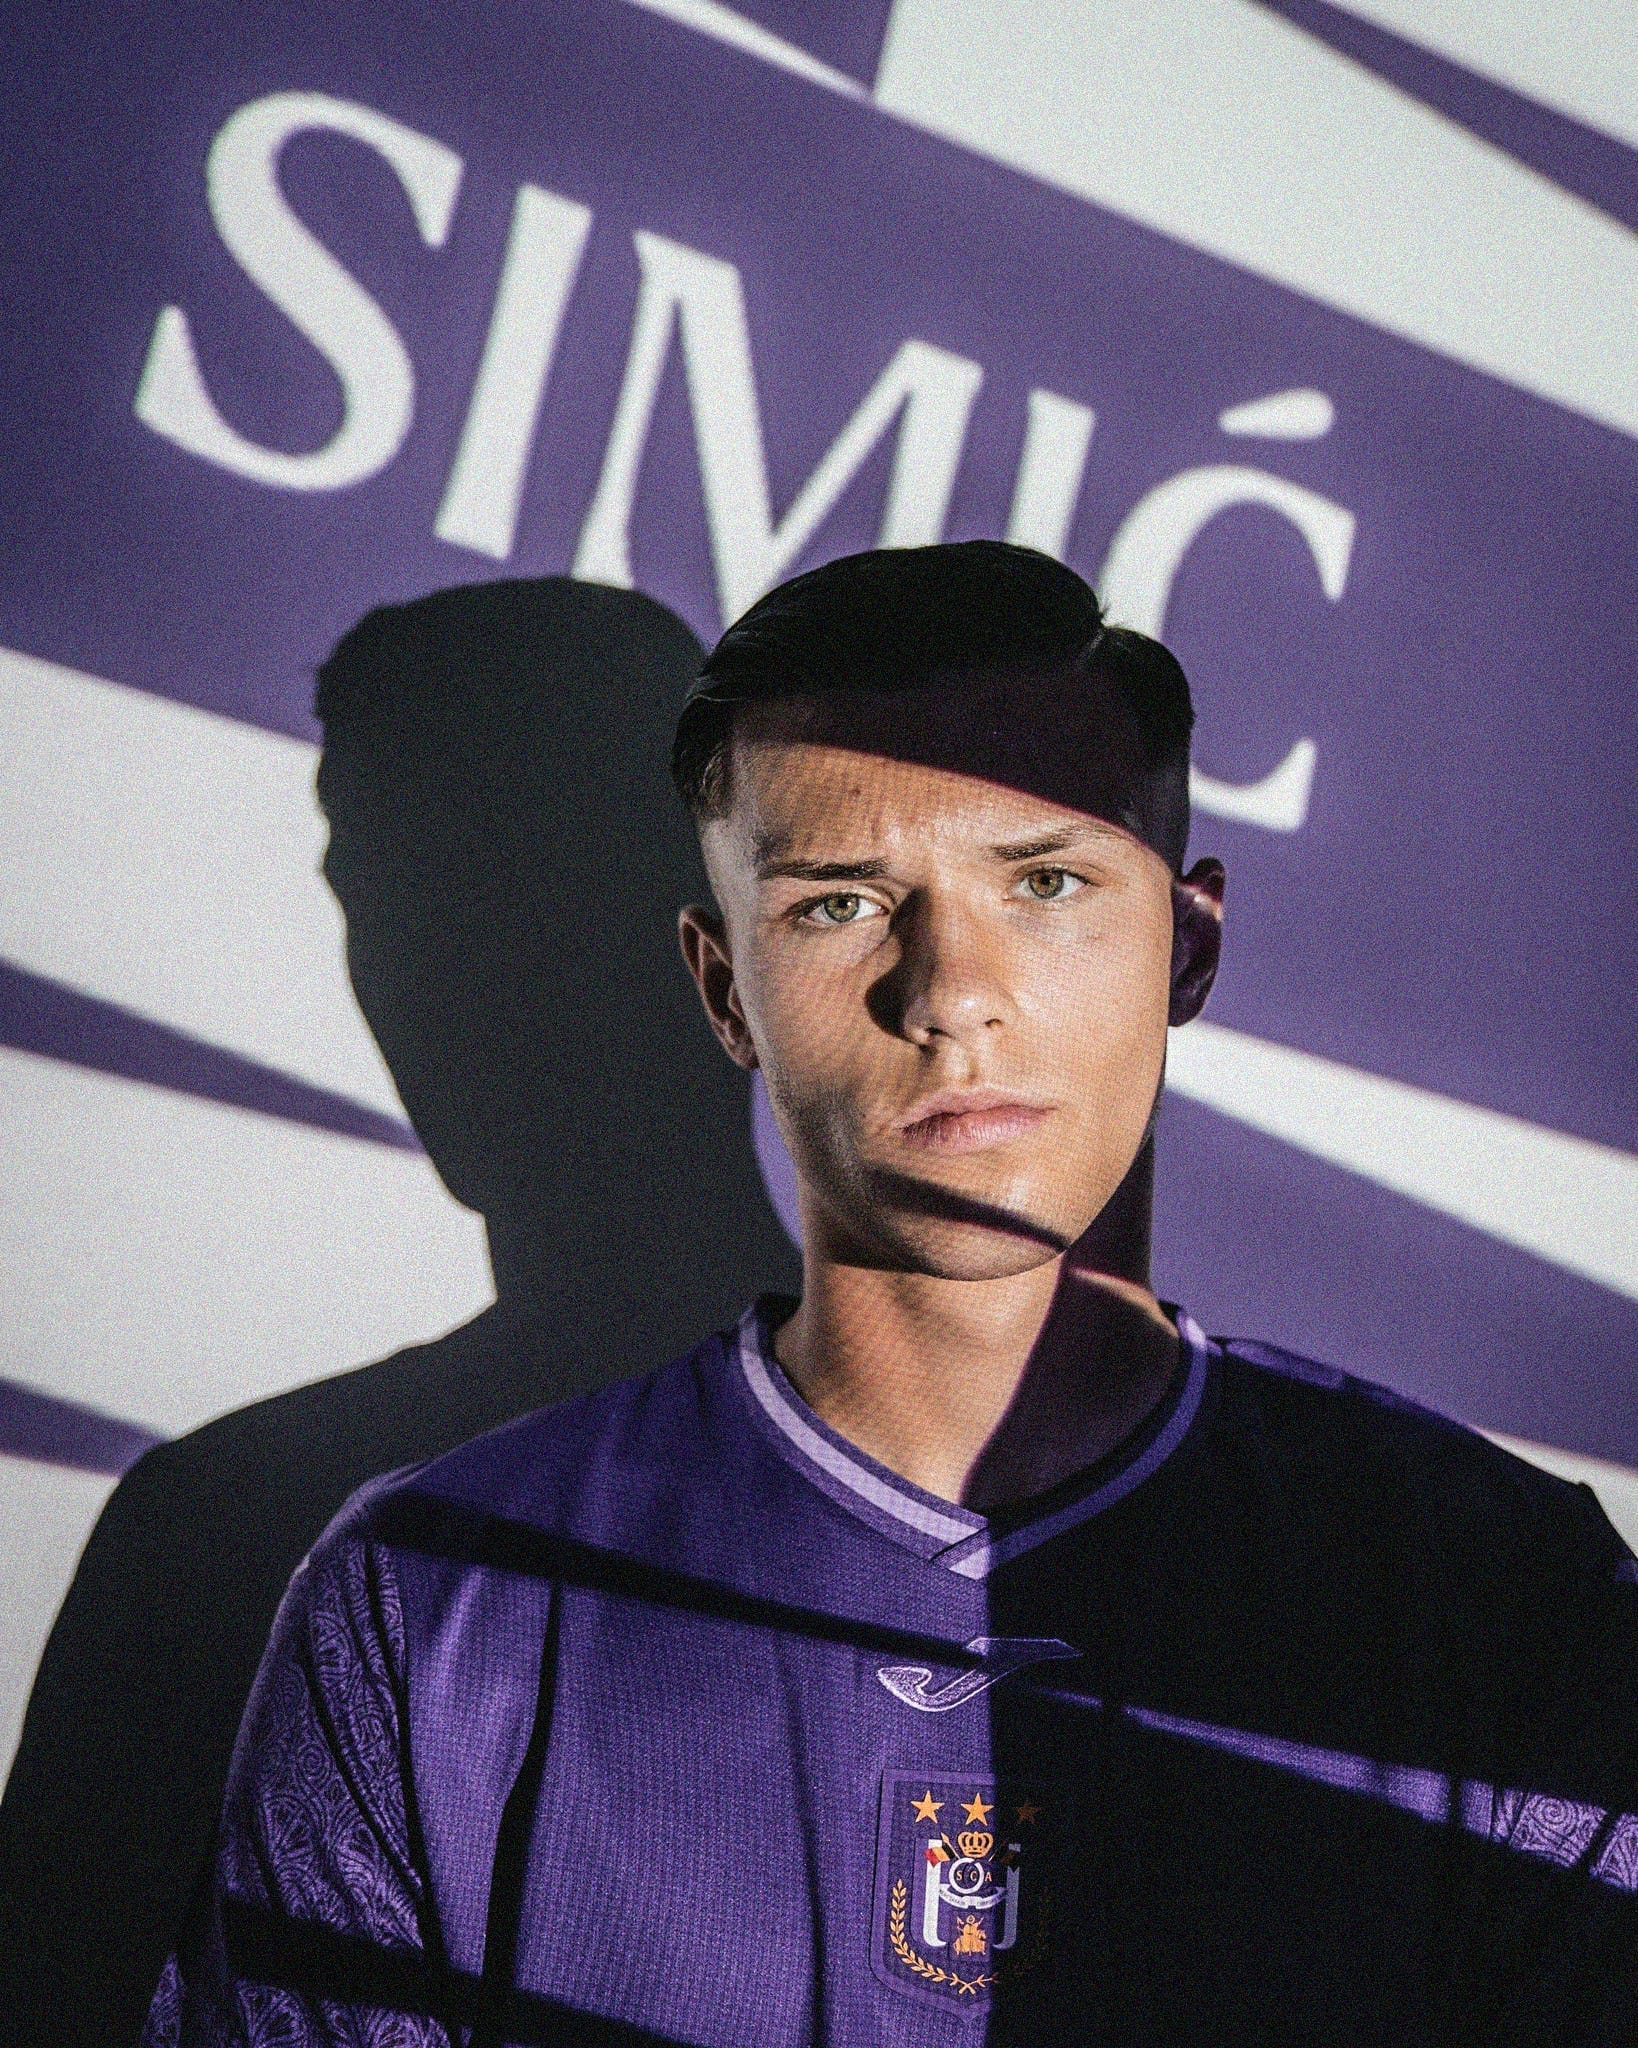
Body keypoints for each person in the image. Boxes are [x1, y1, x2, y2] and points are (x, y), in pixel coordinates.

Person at [144, 543, 1637, 2047]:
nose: (947, 990)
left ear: (1184, 944)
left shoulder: (1500, 1593)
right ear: (724, 987)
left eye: (1045, 882)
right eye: (840, 904)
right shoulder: (427, 1599)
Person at [0, 578, 795, 2048]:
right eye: (387, 890)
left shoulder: (1023, 1526)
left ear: (716, 927)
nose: (441, 970)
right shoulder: (232, 1527)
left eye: (517, 875)